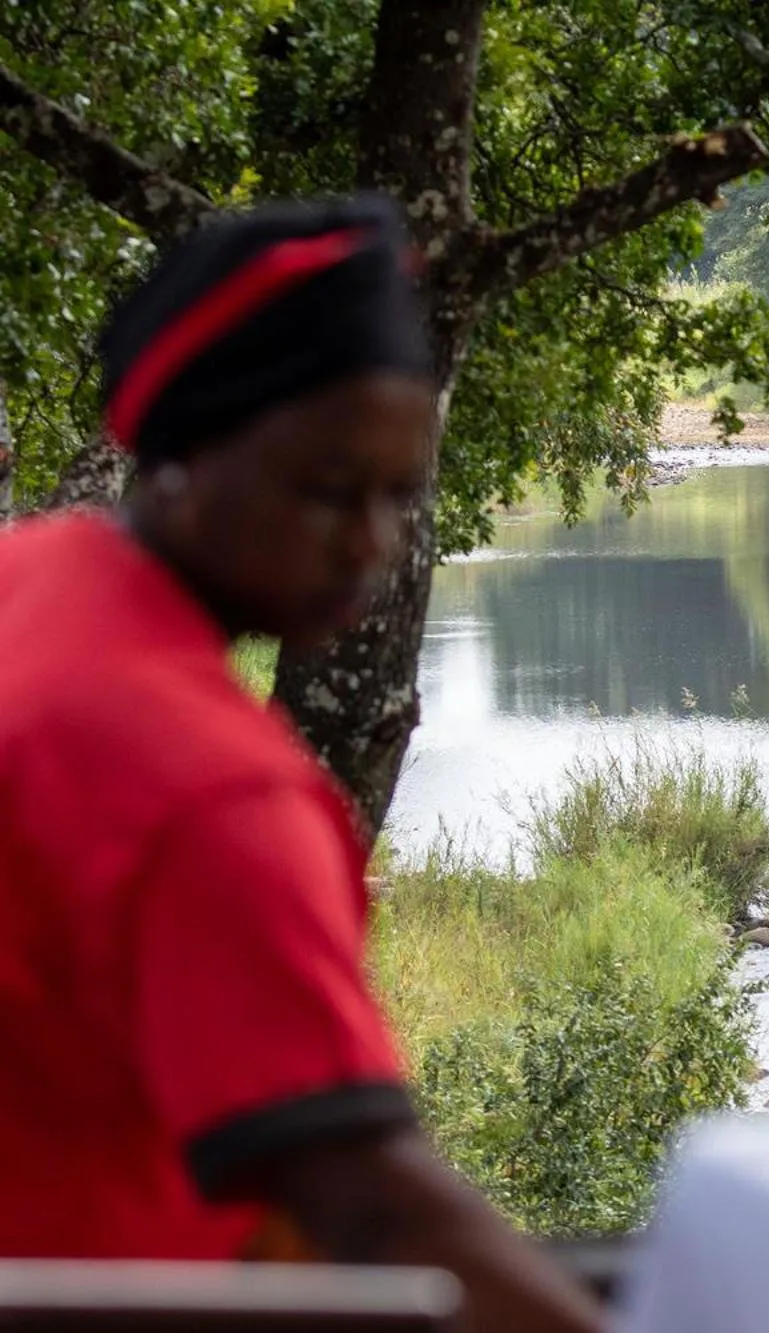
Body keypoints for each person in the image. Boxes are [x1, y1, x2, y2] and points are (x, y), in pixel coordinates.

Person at [0, 197, 600, 1333]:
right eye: (327, 489)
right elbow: (369, 1205)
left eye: (397, 495)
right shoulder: (208, 791)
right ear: (185, 450)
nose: (371, 541)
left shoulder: (31, 577)